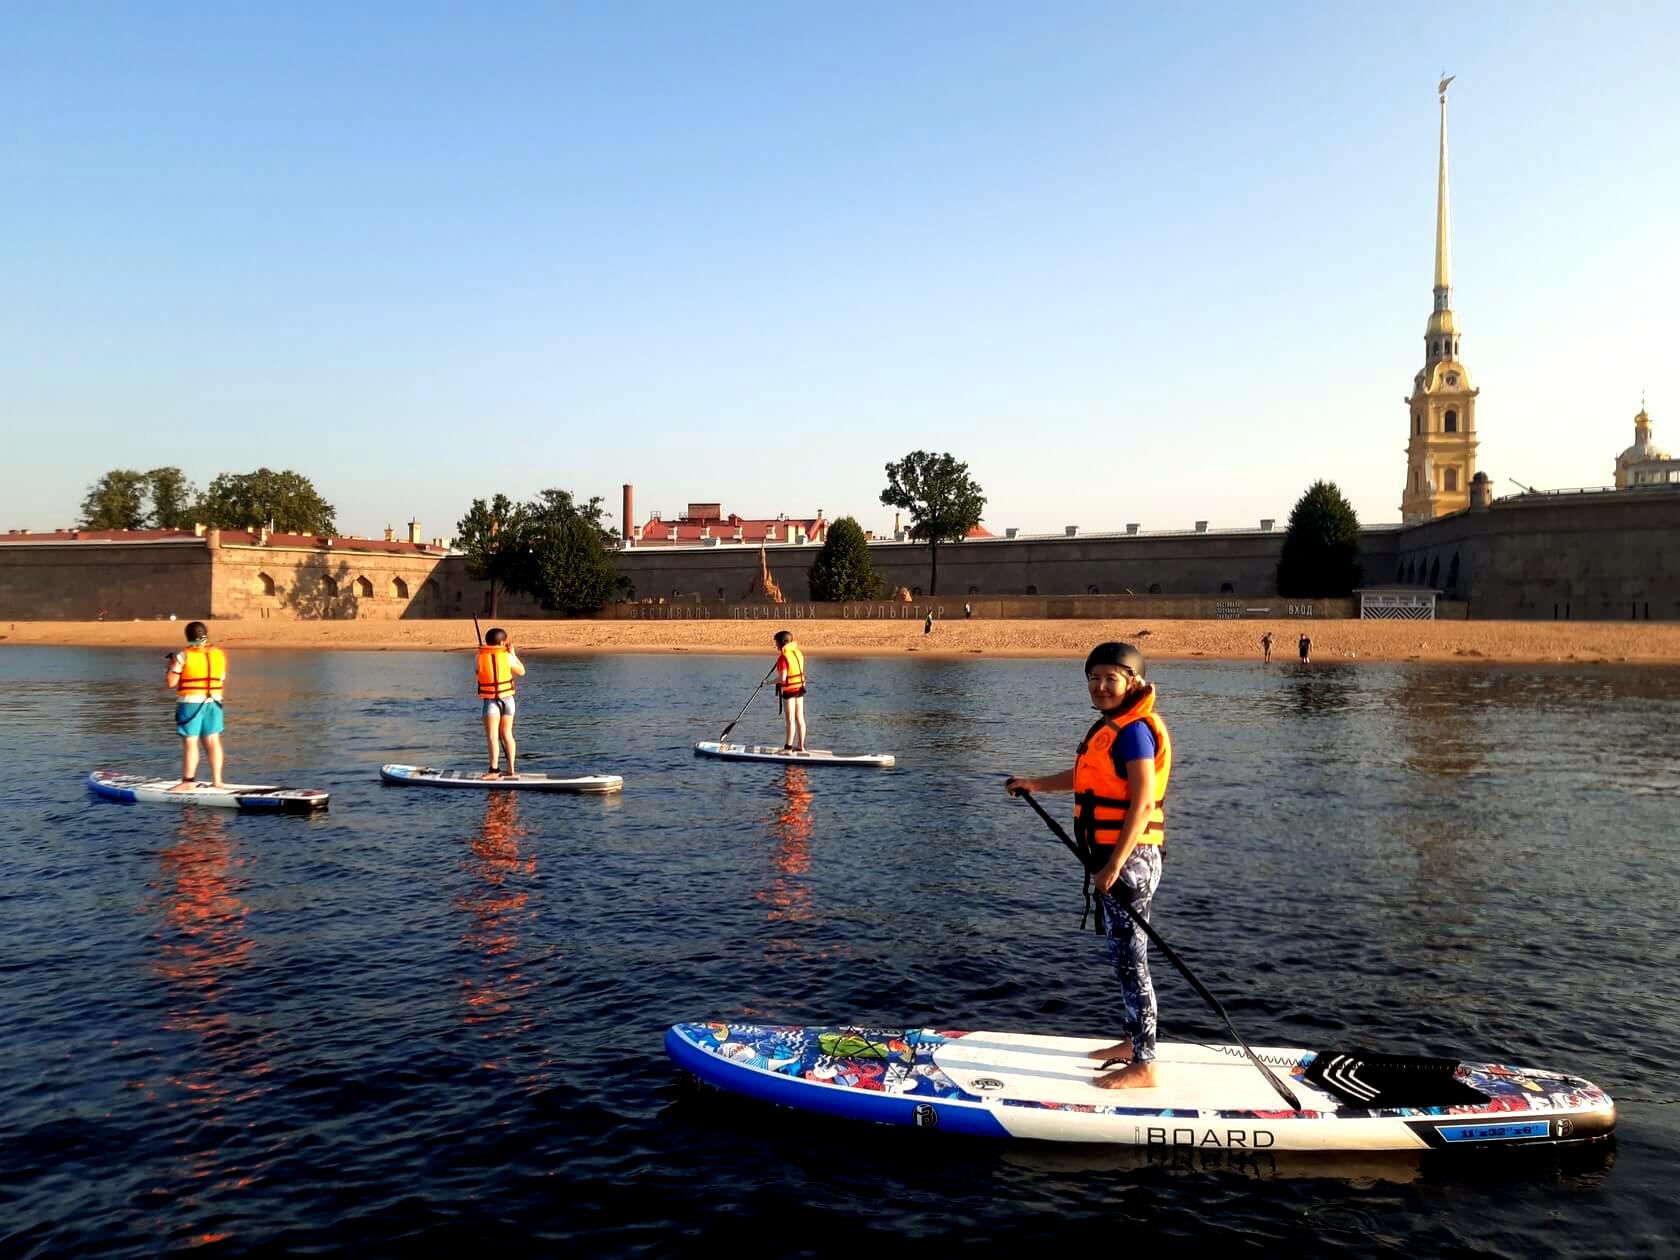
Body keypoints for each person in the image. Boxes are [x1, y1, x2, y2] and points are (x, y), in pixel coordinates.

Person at [1005, 641, 1171, 1089]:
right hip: (1114, 859)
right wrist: (1034, 784)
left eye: (1110, 678)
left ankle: (1146, 1063)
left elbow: (1140, 803)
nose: (1100, 686)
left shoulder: (1135, 731)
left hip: (1130, 859)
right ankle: (1132, 1040)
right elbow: (1086, 780)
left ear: (1132, 682)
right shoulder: (1111, 729)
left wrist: (1115, 863)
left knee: (1133, 960)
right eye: (1094, 678)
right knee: (1122, 957)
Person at [165, 621, 227, 790]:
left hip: (191, 703)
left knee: (191, 742)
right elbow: (220, 678)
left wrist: (170, 667)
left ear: (188, 636)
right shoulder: (219, 654)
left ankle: (188, 782)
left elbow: (171, 682)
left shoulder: (183, 656)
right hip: (214, 701)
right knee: (213, 740)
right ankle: (218, 781)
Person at [476, 628, 526, 777]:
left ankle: (493, 770)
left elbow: (478, 673)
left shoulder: (478, 657)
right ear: (503, 642)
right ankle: (511, 769)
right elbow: (522, 671)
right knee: (507, 734)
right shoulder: (508, 657)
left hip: (490, 700)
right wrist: (513, 654)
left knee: (492, 736)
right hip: (508, 700)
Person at [772, 630, 806, 752]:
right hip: (800, 688)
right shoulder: (798, 653)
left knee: (790, 719)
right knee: (800, 718)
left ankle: (788, 748)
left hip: (790, 690)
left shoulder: (783, 657)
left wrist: (768, 682)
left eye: (776, 642)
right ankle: (801, 746)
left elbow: (782, 678)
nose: (775, 645)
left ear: (782, 643)